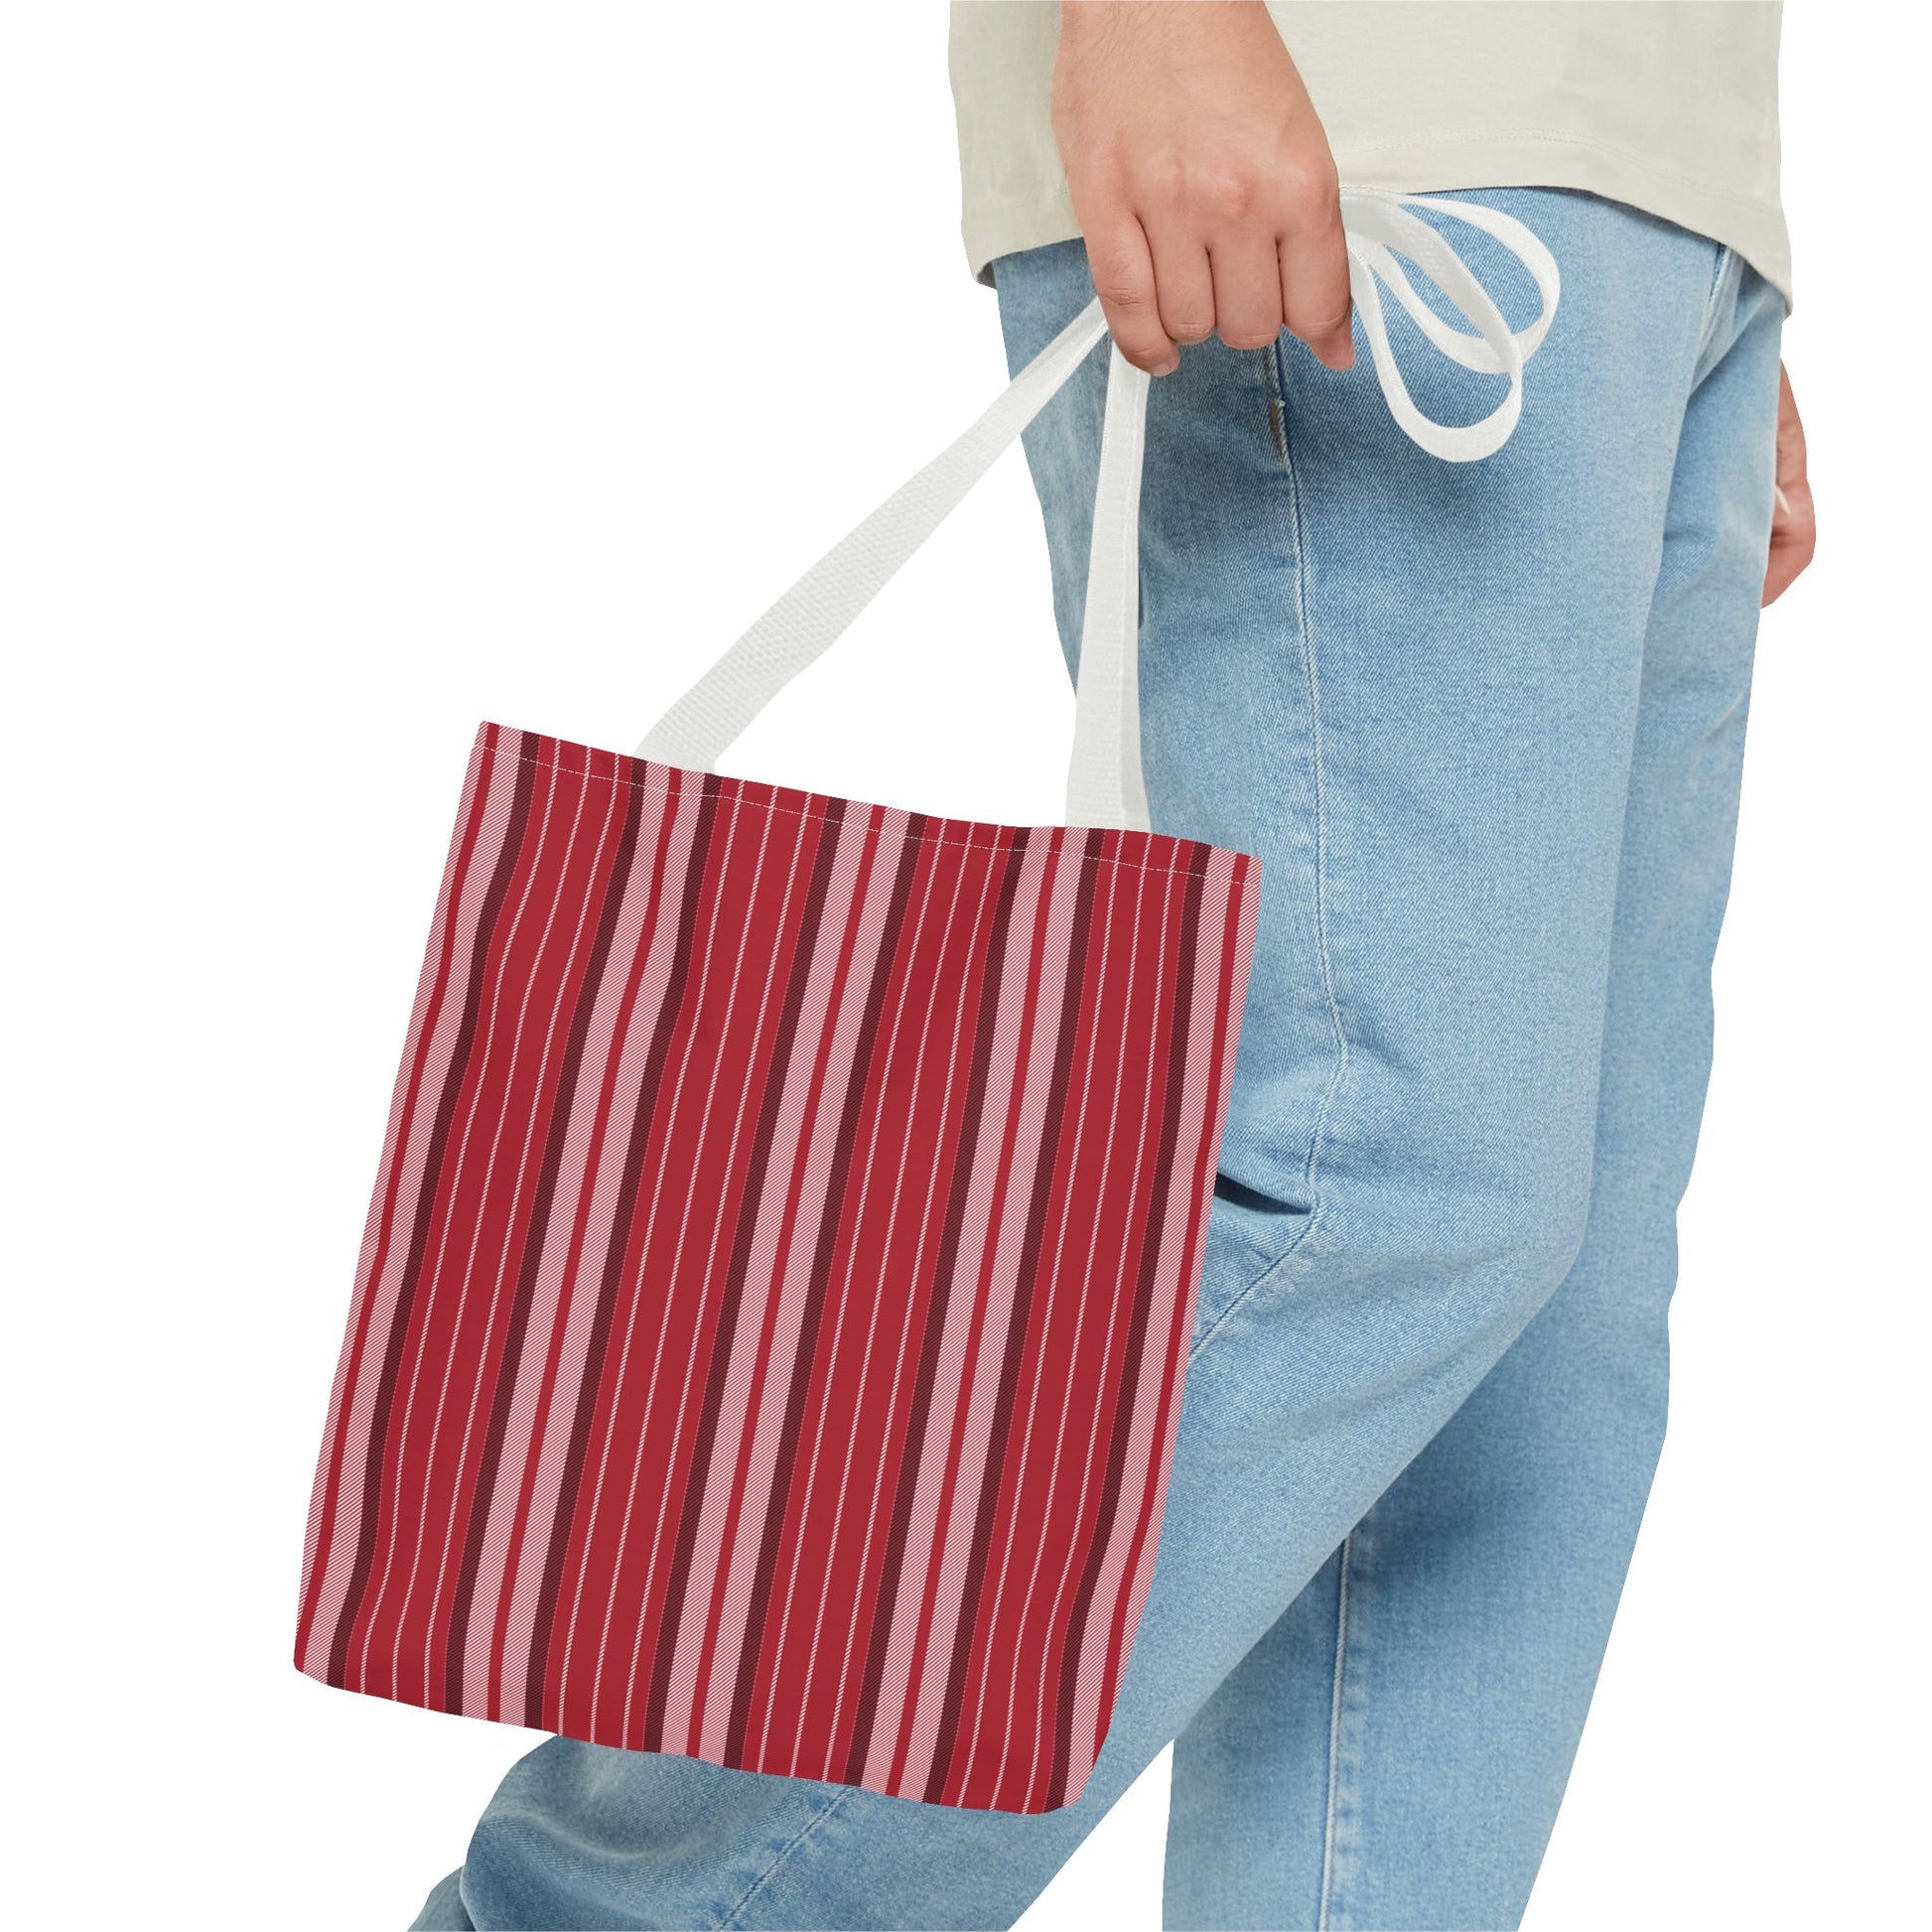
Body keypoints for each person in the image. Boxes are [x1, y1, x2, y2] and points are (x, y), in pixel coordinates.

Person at [411, 4, 1814, 1926]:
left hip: (1640, 190)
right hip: (1368, 124)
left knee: (1533, 1352)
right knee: (1371, 1191)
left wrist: (1697, 232)